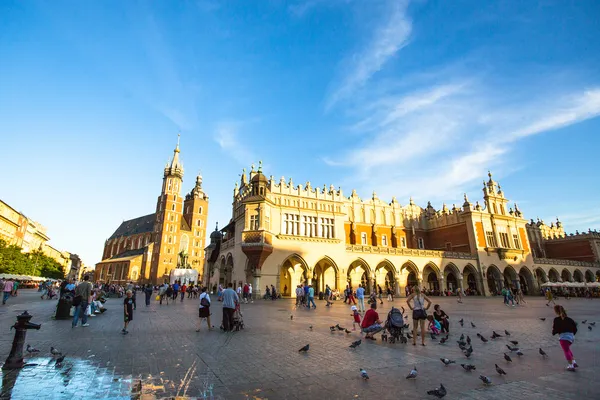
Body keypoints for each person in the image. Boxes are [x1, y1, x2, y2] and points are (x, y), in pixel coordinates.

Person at [552, 305, 578, 371]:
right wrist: (572, 334)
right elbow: (575, 328)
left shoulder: (556, 319)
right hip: (571, 338)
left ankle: (571, 366)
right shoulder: (570, 319)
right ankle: (574, 362)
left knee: (566, 351)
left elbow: (556, 329)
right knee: (568, 349)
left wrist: (554, 332)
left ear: (556, 311)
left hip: (564, 338)